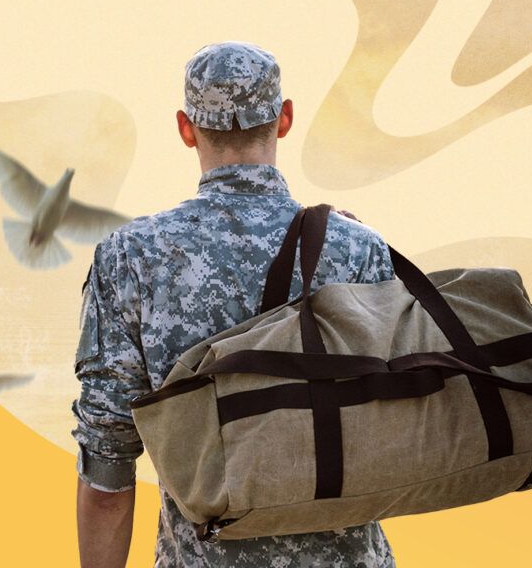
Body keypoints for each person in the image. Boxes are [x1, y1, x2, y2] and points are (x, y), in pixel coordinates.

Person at [71, 41, 397, 567]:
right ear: (285, 119)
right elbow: (394, 427)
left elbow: (108, 463)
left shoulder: (132, 258)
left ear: (185, 127)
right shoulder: (357, 248)